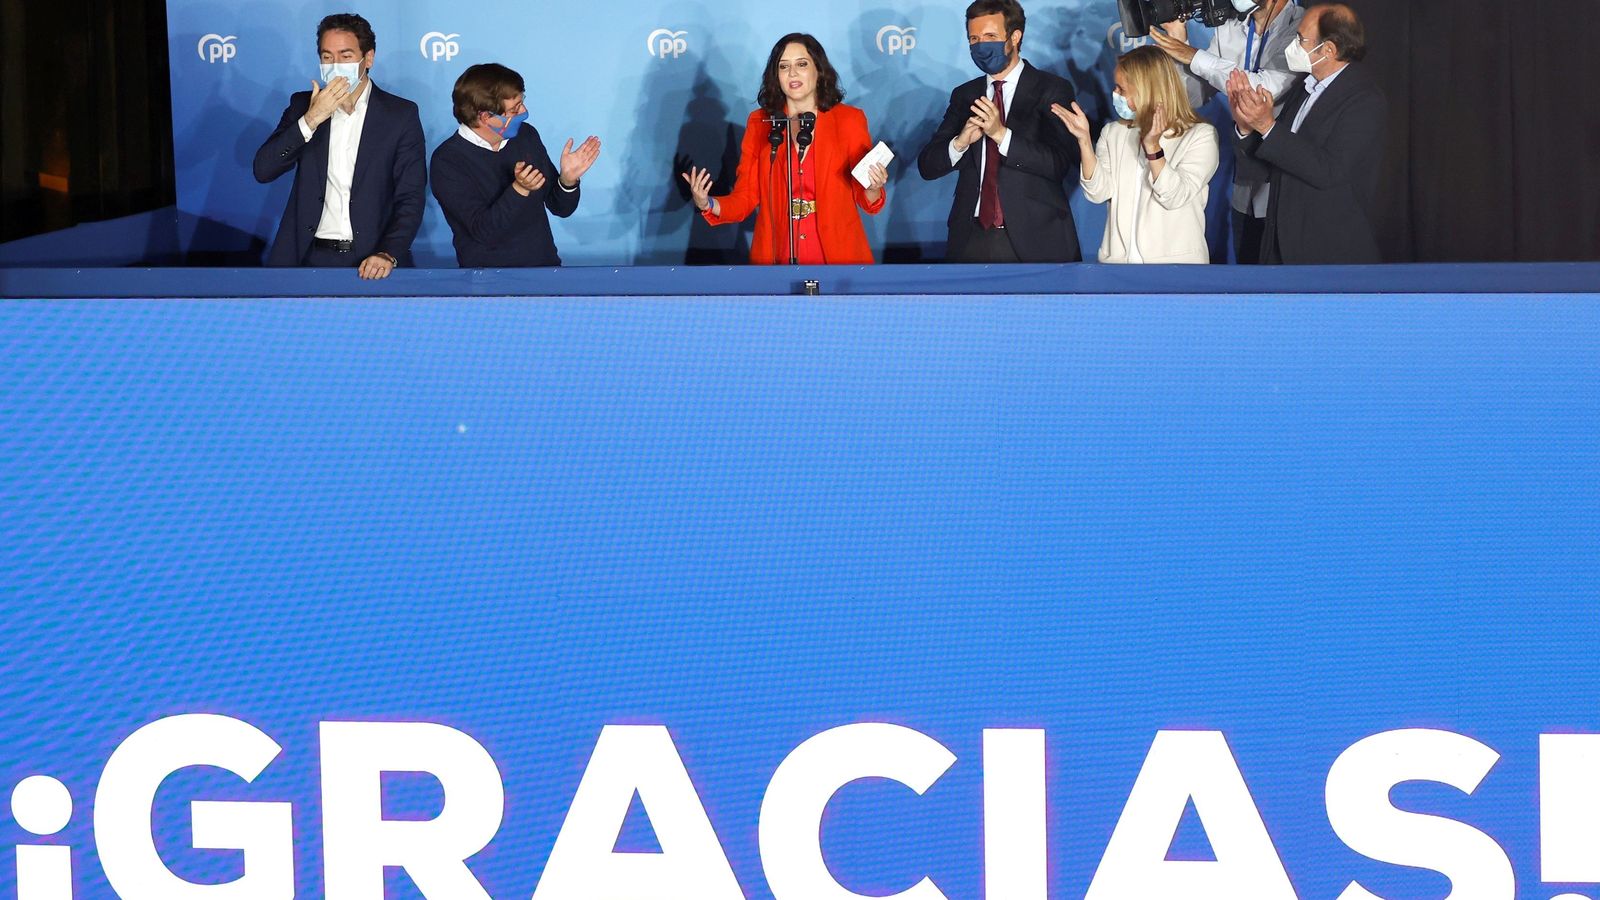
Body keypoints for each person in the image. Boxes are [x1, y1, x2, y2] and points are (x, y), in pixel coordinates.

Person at [682, 33, 888, 265]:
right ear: (776, 75)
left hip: (839, 255)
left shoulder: (850, 120)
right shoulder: (760, 122)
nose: (792, 73)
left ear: (818, 70)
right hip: (777, 254)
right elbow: (746, 197)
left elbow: (865, 196)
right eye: (783, 66)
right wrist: (707, 203)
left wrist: (873, 187)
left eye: (802, 64)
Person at [252, 13, 426, 278]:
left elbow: (410, 197)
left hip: (371, 262)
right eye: (327, 56)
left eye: (345, 56)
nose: (335, 65)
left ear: (368, 59)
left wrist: (387, 252)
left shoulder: (399, 115)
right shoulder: (303, 105)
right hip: (304, 258)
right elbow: (263, 170)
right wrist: (311, 119)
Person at [916, 0, 1082, 263]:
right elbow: (928, 166)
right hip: (971, 239)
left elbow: (1059, 164)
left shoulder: (1051, 89)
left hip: (1036, 242)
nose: (981, 45)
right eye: (974, 38)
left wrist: (1001, 135)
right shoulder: (965, 95)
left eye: (990, 36)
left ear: (1014, 37)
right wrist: (959, 143)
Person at [1228, 3, 1386, 264]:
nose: (1292, 45)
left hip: (1326, 254)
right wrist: (1247, 127)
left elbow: (1328, 171)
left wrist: (1268, 126)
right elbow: (1276, 163)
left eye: (1301, 39)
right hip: (1279, 249)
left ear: (1329, 50)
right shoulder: (1304, 88)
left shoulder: (1364, 100)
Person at [1150, 0, 1303, 264]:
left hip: (1286, 187)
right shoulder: (1230, 28)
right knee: (1248, 279)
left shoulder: (1302, 27)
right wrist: (1179, 41)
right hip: (1245, 186)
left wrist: (1195, 56)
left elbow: (1263, 90)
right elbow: (1194, 96)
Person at [1053, 46, 1219, 263]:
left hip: (1176, 269)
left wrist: (1153, 149)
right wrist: (1084, 141)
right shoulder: (1113, 132)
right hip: (1119, 267)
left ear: (1147, 90)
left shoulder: (1201, 136)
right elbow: (1098, 192)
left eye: (1121, 89)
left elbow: (1175, 196)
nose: (1115, 94)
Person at [429, 64, 601, 268]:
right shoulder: (448, 161)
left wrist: (567, 180)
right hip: (488, 283)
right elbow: (484, 231)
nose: (525, 112)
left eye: (522, 103)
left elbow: (560, 207)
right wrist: (519, 189)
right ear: (486, 117)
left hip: (545, 271)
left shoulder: (526, 136)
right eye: (515, 109)